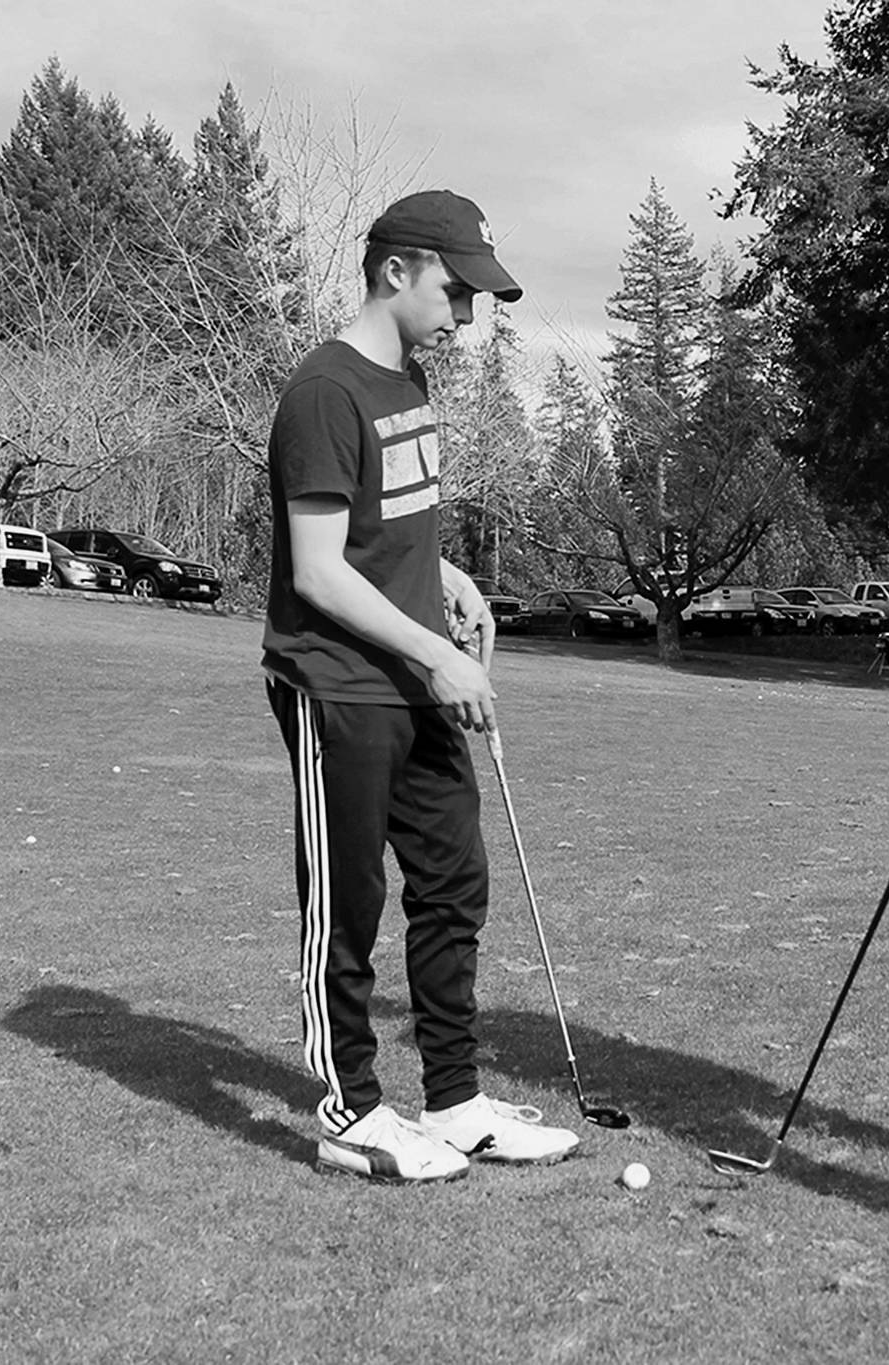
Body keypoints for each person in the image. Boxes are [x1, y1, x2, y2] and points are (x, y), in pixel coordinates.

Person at [262, 189, 579, 1184]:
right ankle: (348, 1110)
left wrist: (446, 579)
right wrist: (439, 655)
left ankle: (454, 1104)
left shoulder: (409, 385)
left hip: (414, 681)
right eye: (456, 288)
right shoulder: (326, 393)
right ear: (396, 270)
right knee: (347, 903)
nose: (468, 312)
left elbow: (382, 528)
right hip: (341, 682)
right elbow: (316, 569)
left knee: (452, 886)